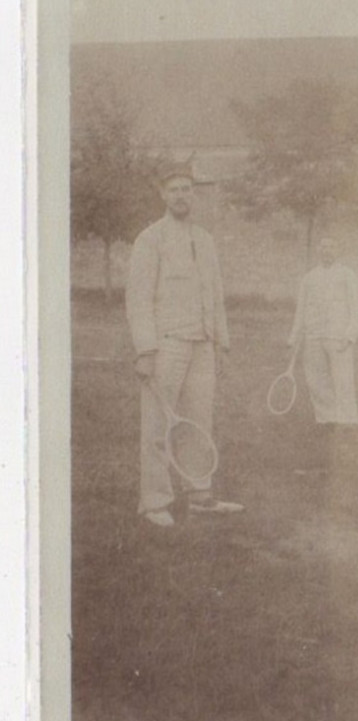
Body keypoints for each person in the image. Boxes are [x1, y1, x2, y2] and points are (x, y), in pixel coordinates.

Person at [126, 161, 243, 526]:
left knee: (198, 421)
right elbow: (139, 298)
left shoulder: (204, 239)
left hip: (202, 346)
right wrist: (145, 349)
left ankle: (199, 495)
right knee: (159, 425)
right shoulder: (150, 239)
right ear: (163, 195)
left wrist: (220, 342)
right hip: (167, 346)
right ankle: (155, 502)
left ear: (195, 195)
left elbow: (216, 294)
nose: (181, 196)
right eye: (174, 190)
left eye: (187, 190)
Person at [288, 234, 358, 429]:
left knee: (343, 379)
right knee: (316, 380)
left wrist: (351, 335)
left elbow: (357, 307)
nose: (326, 251)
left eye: (331, 247)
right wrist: (294, 337)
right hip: (313, 336)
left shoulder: (348, 274)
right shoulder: (310, 277)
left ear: (338, 250)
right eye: (323, 247)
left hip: (339, 337)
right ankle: (325, 418)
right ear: (318, 250)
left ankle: (347, 420)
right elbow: (301, 309)